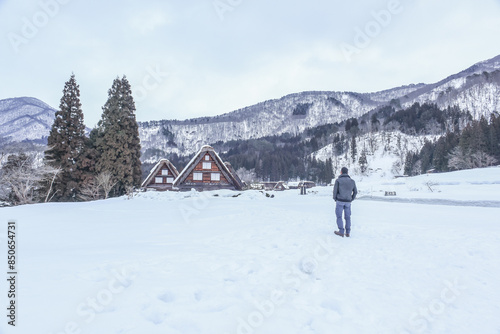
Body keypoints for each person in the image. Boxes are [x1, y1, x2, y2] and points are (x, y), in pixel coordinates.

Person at [333, 167, 357, 237]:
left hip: (340, 201)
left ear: (341, 172)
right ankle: (348, 232)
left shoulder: (338, 180)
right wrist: (351, 199)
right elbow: (355, 192)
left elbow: (335, 191)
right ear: (347, 173)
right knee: (348, 217)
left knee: (339, 216)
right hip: (348, 202)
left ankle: (341, 231)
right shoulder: (352, 181)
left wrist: (335, 198)